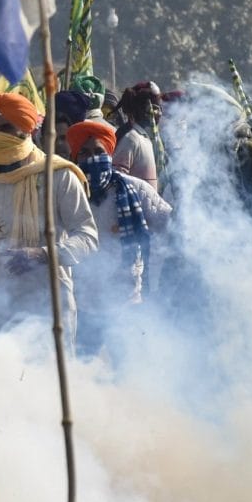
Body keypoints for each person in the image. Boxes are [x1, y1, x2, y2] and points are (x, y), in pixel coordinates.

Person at [0, 93, 98, 339]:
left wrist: (41, 254)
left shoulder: (58, 175)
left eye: (6, 127)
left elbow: (88, 237)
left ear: (27, 128)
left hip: (46, 306)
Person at [66, 120, 171, 349]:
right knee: (85, 369)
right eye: (84, 153)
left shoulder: (135, 189)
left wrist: (156, 278)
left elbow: (167, 228)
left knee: (125, 370)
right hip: (81, 302)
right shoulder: (68, 191)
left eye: (98, 151)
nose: (92, 157)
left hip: (126, 300)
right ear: (75, 157)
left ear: (110, 154)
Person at [114, 82, 162, 190]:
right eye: (155, 108)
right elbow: (118, 181)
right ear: (145, 110)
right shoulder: (130, 139)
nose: (159, 113)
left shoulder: (146, 138)